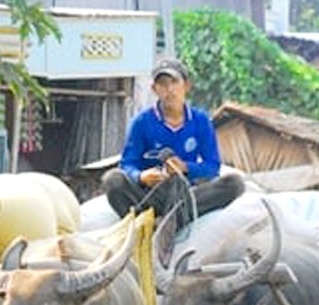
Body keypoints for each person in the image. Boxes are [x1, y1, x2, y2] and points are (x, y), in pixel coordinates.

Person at [103, 56, 244, 226]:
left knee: (235, 183)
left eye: (174, 82)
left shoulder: (200, 120)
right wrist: (142, 177)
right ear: (154, 89)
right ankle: (156, 220)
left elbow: (212, 166)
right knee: (112, 180)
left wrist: (186, 167)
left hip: (188, 195)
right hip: (150, 196)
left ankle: (169, 220)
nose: (169, 89)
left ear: (186, 85)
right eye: (162, 84)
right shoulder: (141, 122)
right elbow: (127, 164)